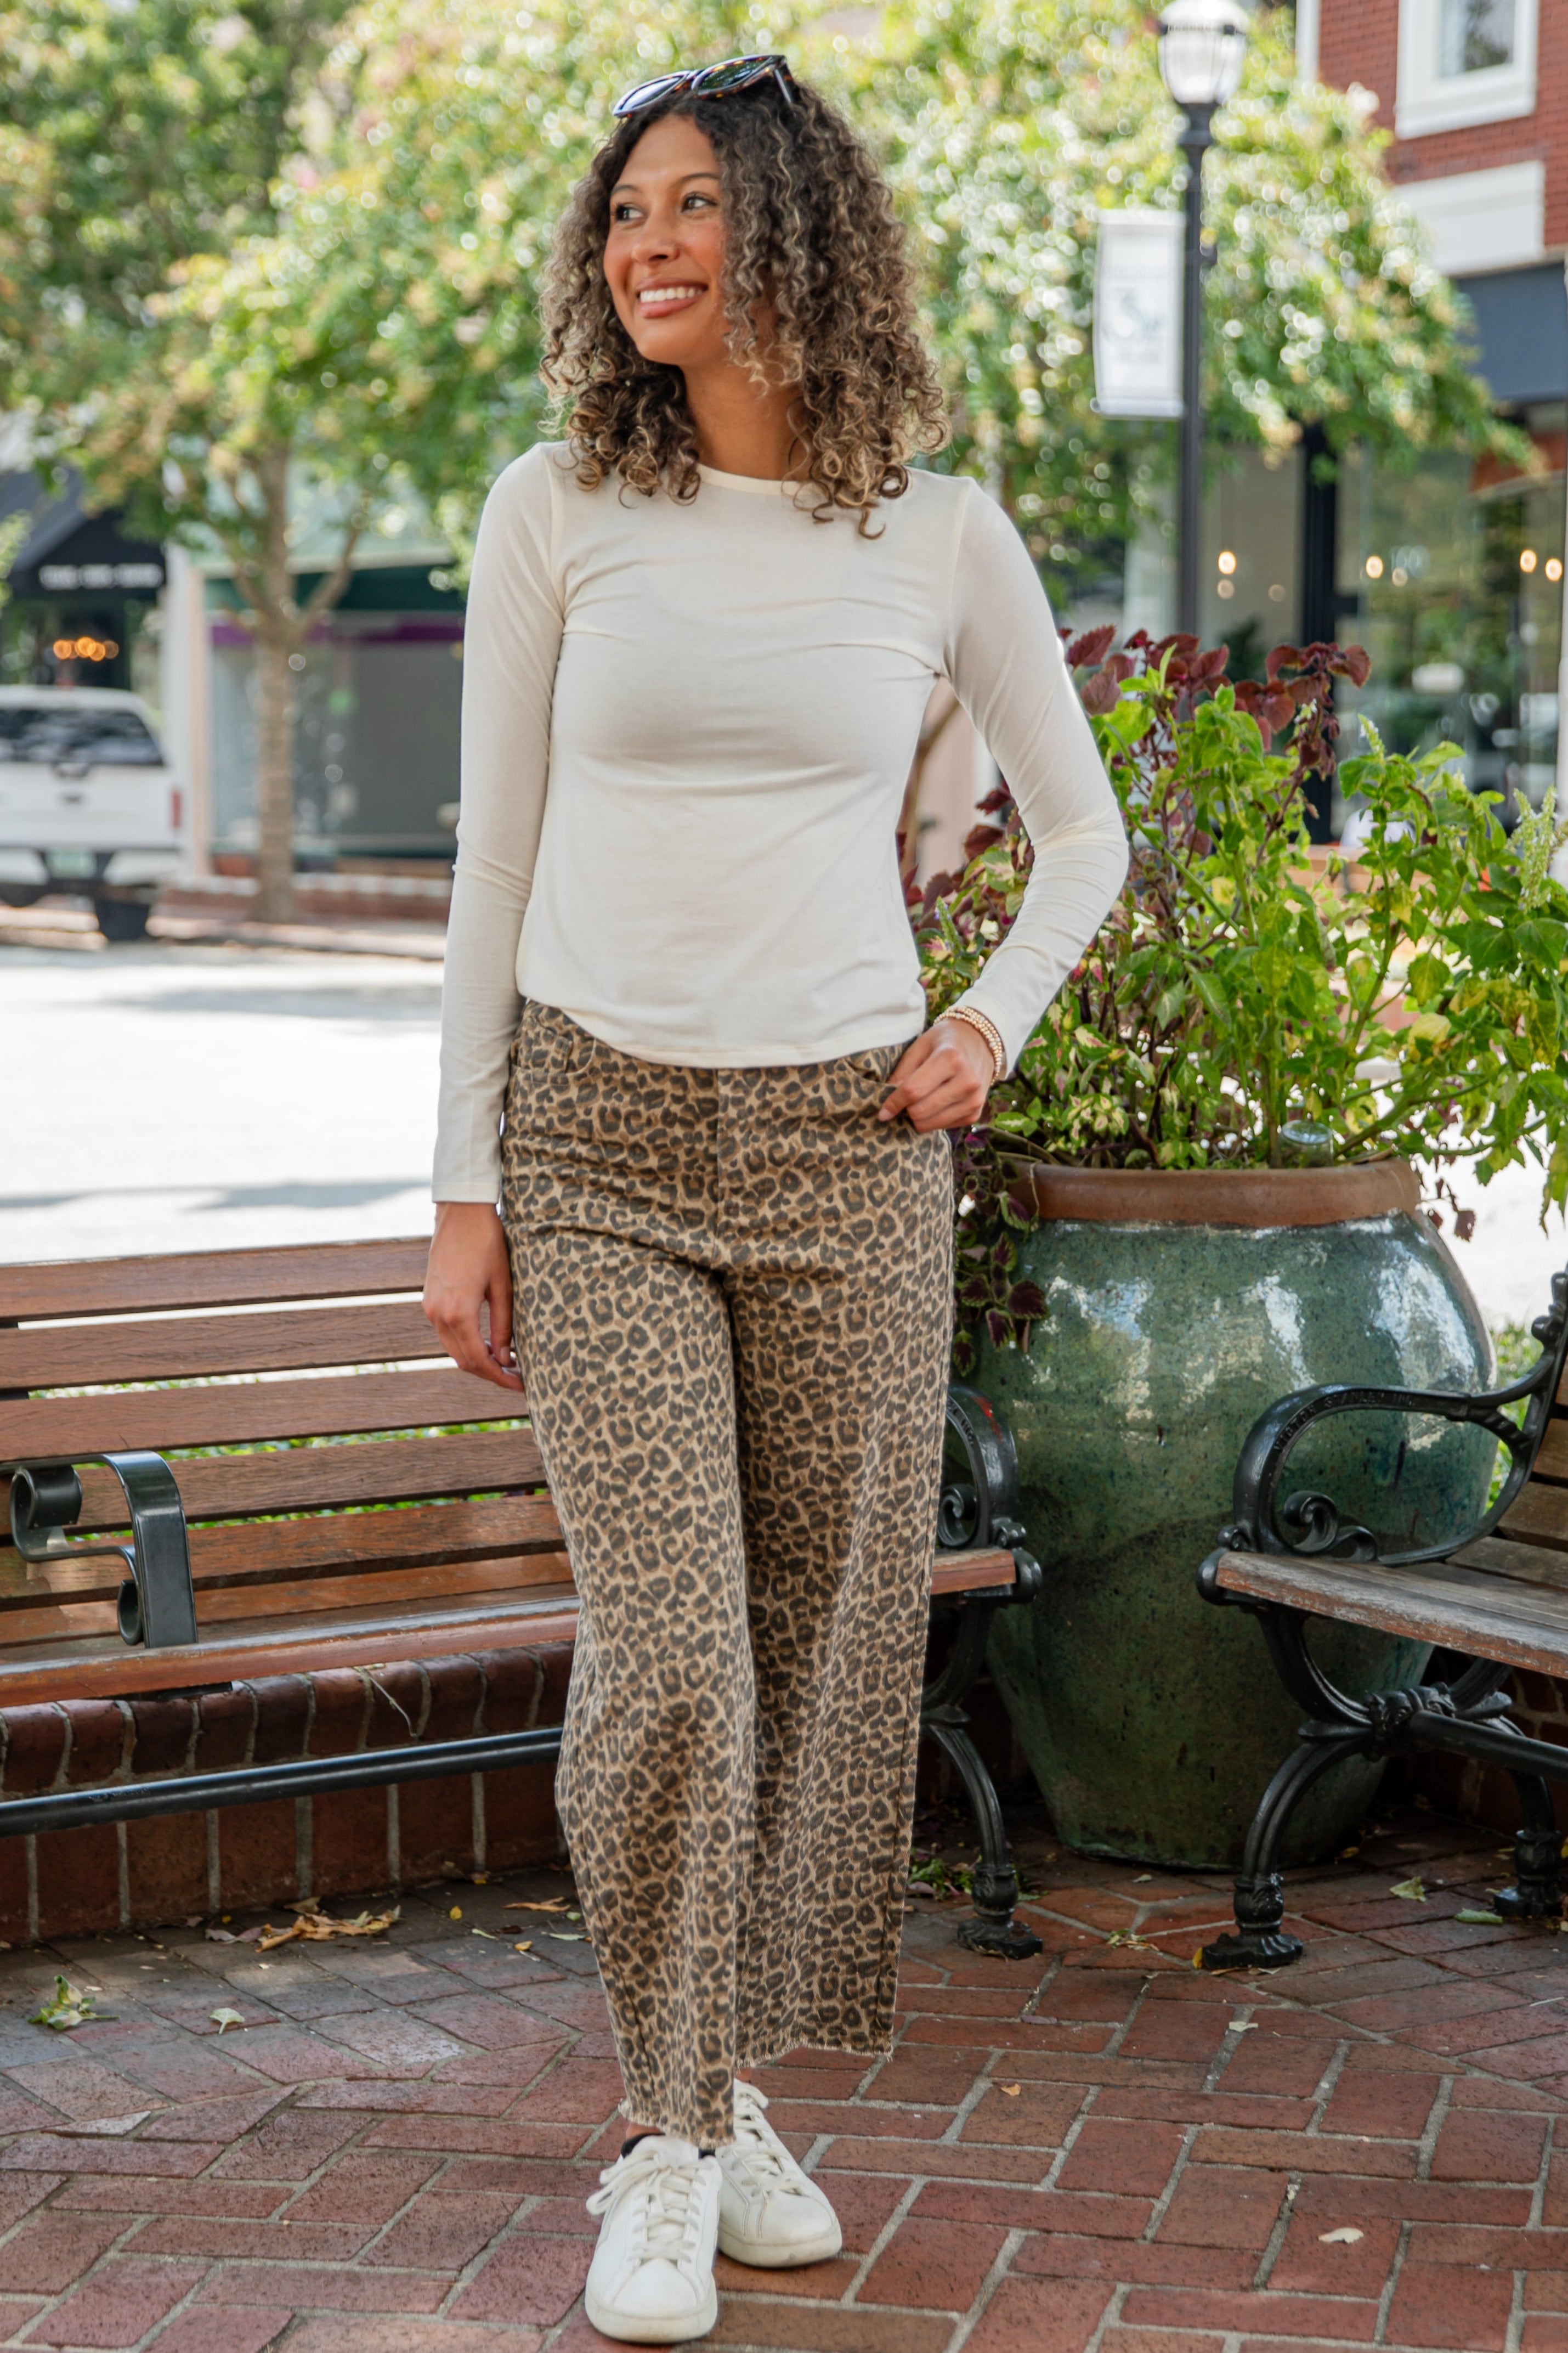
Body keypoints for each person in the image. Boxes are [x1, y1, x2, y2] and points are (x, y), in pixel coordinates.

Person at [423, 52, 1128, 2345]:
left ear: (794, 239)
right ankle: (654, 2134)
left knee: (822, 1653)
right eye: (626, 210)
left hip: (847, 1150)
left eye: (697, 203)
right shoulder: (556, 508)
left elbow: (1083, 830)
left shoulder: (939, 533)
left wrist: (986, 1020)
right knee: (667, 1655)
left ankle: (724, 2092)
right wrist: (465, 1180)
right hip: (599, 1129)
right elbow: (490, 864)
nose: (647, 242)